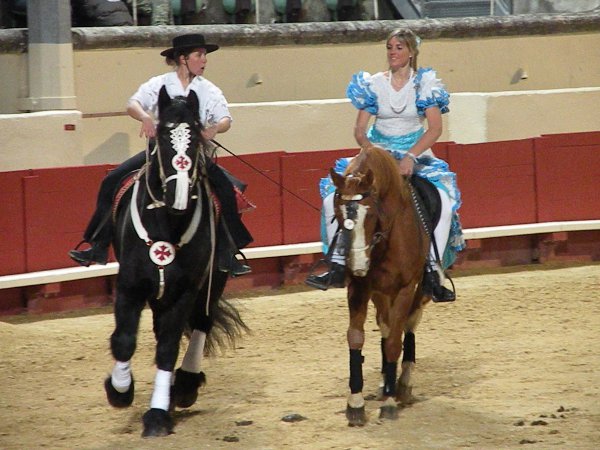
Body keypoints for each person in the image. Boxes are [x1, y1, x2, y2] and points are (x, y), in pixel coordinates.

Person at [69, 33, 252, 277]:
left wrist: (215, 128)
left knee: (228, 191)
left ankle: (227, 252)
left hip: (193, 155)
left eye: (205, 55)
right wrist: (145, 117)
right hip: (159, 154)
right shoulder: (158, 84)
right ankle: (98, 244)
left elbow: (225, 119)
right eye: (199, 55)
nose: (204, 60)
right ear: (182, 58)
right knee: (111, 181)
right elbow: (132, 104)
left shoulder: (209, 90)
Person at [305, 27, 466, 302]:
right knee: (334, 195)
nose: (393, 52)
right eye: (389, 47)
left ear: (412, 52)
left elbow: (434, 129)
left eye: (399, 47)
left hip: (413, 153)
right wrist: (371, 153)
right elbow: (359, 129)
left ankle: (432, 269)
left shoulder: (425, 83)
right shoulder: (374, 84)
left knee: (443, 199)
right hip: (376, 152)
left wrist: (410, 157)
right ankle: (336, 261)